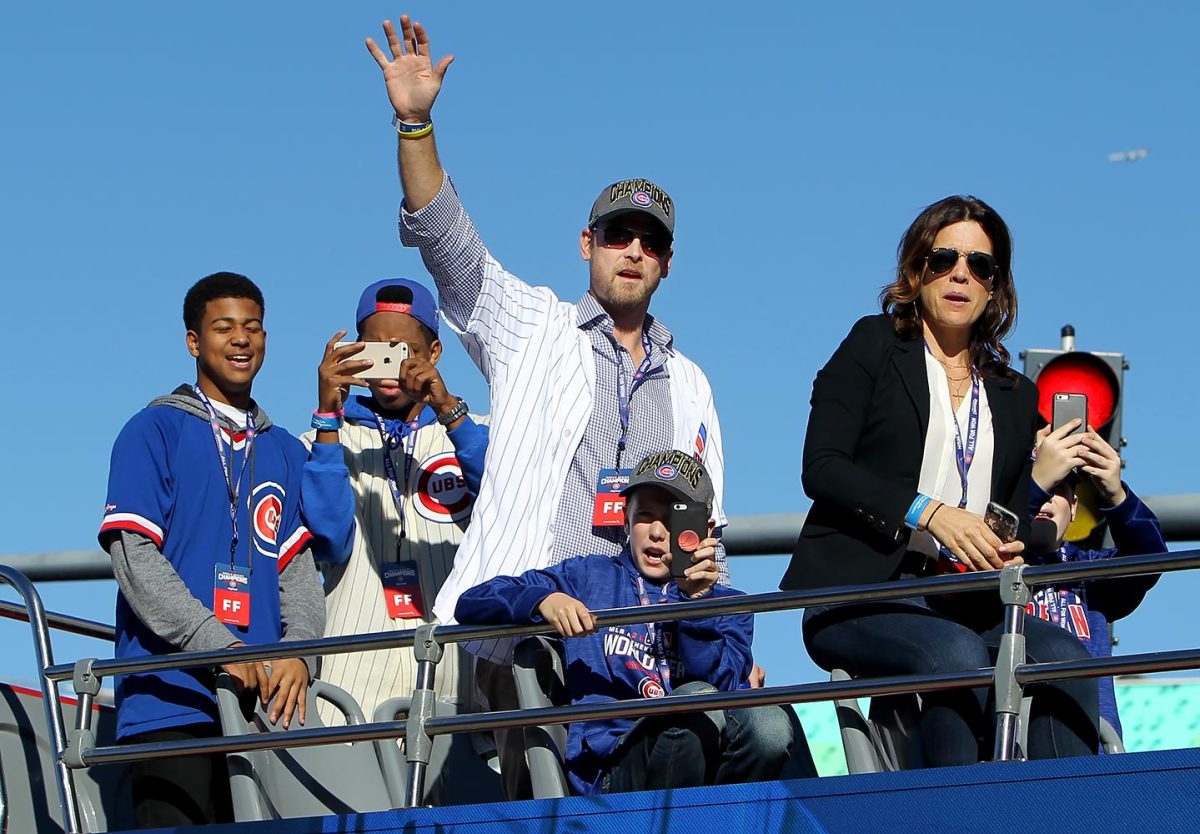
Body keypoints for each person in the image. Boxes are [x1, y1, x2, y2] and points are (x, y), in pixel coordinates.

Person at [365, 15, 735, 797]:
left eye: (649, 240)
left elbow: (709, 531)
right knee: (526, 807)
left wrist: (716, 624)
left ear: (667, 262)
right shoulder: (533, 323)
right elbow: (446, 239)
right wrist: (415, 121)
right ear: (585, 244)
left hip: (643, 650)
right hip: (533, 623)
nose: (632, 250)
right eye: (616, 234)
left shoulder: (692, 383)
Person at [780, 196, 1101, 766]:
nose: (961, 274)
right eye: (944, 258)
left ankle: (1062, 815)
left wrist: (1028, 535)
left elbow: (1002, 515)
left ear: (995, 288)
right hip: (863, 591)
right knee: (956, 654)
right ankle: (952, 815)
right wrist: (928, 512)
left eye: (981, 266)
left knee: (1065, 657)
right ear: (914, 271)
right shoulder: (874, 345)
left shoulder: (1014, 392)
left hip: (964, 596)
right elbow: (822, 466)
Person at [98, 272, 325, 827]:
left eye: (253, 328)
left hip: (265, 715)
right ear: (194, 341)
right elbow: (135, 560)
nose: (241, 340)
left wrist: (300, 652)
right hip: (170, 703)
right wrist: (217, 646)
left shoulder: (283, 450)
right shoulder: (152, 430)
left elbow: (297, 572)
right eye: (224, 327)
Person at [455, 451, 808, 795]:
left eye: (673, 520)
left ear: (705, 530)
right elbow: (472, 601)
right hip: (614, 770)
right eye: (645, 516)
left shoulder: (731, 605)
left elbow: (725, 696)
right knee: (691, 705)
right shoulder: (588, 576)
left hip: (709, 763)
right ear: (625, 519)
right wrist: (544, 599)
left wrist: (694, 606)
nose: (656, 532)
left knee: (769, 723)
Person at [301, 278, 488, 724]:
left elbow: (506, 500)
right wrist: (328, 417)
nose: (391, 365)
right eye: (376, 349)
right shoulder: (320, 441)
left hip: (458, 688)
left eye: (404, 350)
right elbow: (328, 540)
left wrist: (449, 411)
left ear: (435, 354)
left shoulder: (473, 431)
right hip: (352, 696)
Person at [1027, 421, 1167, 741]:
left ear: (1074, 508)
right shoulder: (986, 562)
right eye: (1038, 486)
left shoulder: (1088, 572)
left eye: (1058, 489)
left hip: (1090, 744)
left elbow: (1150, 558)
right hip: (1005, 747)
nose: (1047, 499)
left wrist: (1115, 493)